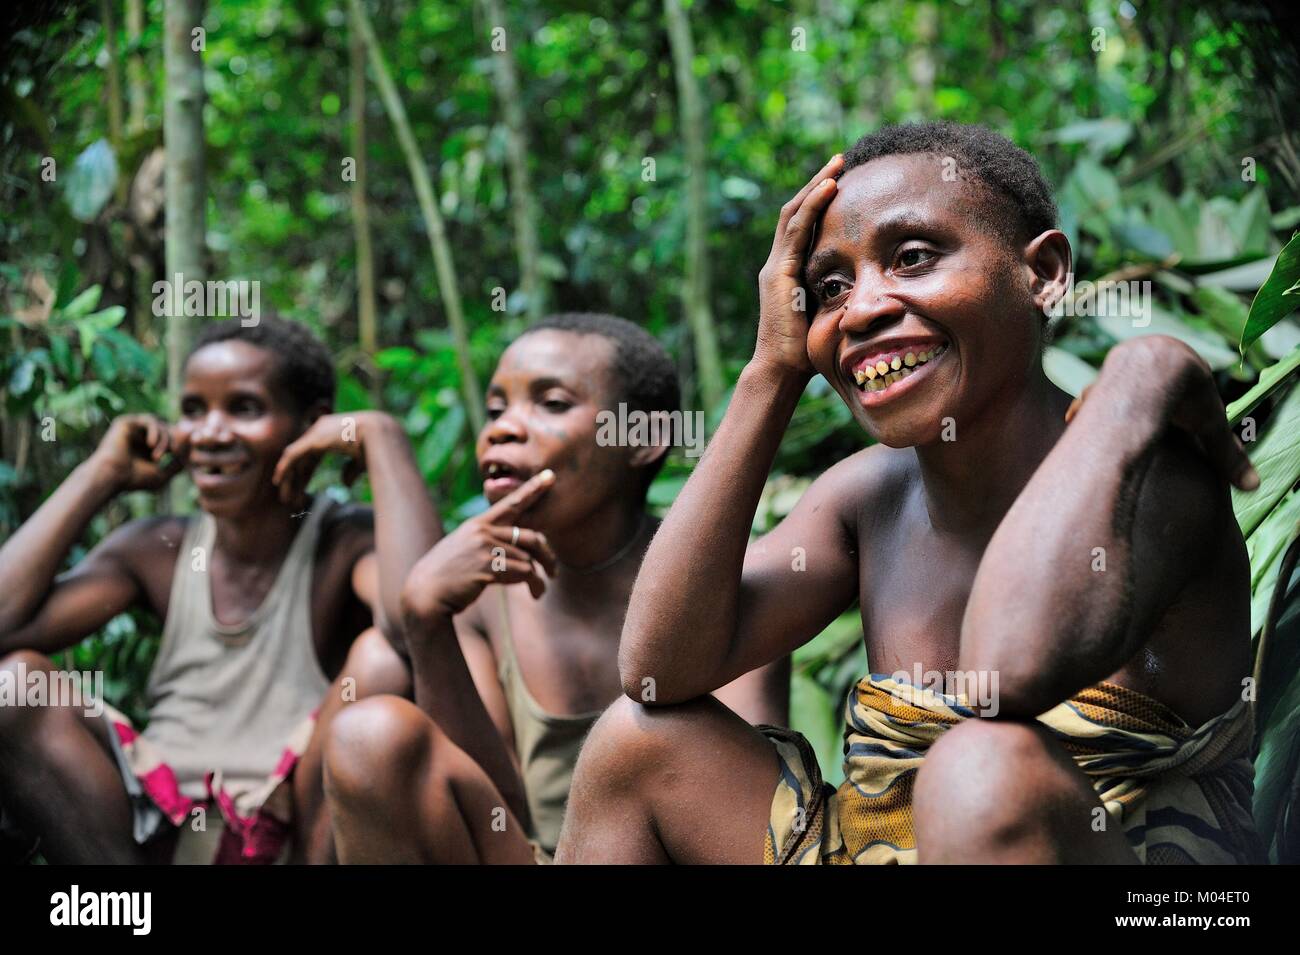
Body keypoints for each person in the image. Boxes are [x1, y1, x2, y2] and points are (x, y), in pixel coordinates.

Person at [556, 123, 1266, 865]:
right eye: (829, 289)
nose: (861, 309)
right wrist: (771, 369)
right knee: (634, 742)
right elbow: (656, 667)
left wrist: (1137, 378)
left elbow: (1008, 671)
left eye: (913, 257)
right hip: (879, 850)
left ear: (1045, 273)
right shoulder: (869, 498)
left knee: (980, 768)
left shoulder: (1148, 476)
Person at [323, 313, 789, 862]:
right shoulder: (482, 600)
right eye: (497, 409)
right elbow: (496, 817)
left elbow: (758, 822)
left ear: (644, 439)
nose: (503, 427)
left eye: (552, 404)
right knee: (368, 733)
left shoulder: (722, 585)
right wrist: (426, 618)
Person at [0, 316, 431, 863]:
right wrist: (100, 474)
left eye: (244, 408)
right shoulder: (158, 549)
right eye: (193, 410)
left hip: (291, 830)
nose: (210, 433)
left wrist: (381, 438)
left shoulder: (343, 543)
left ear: (312, 425)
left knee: (379, 664)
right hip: (154, 827)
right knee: (13, 686)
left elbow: (413, 622)